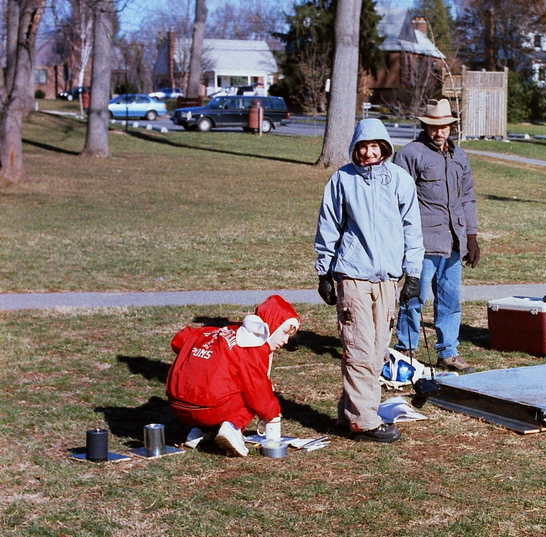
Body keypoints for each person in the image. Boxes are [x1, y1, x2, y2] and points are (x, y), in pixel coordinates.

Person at [314, 118, 424, 443]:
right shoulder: (342, 180)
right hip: (353, 275)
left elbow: (412, 228)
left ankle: (350, 412)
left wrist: (413, 273)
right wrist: (324, 272)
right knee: (359, 347)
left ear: (384, 148)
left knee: (376, 352)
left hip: (388, 278)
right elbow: (328, 225)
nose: (368, 153)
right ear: (355, 149)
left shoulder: (400, 180)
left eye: (374, 146)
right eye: (362, 147)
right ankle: (364, 421)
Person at [392, 98, 480, 373]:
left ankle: (448, 352)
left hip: (454, 241)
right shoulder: (410, 154)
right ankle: (405, 350)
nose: (438, 131)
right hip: (423, 243)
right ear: (424, 126)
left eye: (443, 126)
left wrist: (471, 236)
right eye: (433, 126)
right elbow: (398, 200)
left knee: (450, 299)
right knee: (414, 297)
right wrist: (403, 241)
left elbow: (467, 197)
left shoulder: (459, 156)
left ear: (451, 127)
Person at [165, 294, 301, 456]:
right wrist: (272, 415)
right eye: (284, 333)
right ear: (272, 326)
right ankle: (232, 428)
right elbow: (258, 391)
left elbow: (179, 340)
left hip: (177, 404)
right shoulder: (252, 347)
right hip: (210, 409)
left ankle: (199, 431)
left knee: (222, 383)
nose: (286, 340)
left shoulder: (214, 331)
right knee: (250, 392)